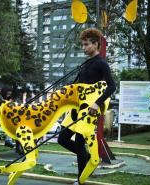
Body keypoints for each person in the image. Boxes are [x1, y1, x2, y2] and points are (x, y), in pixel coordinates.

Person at [58, 28, 116, 185]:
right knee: (62, 138)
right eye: (82, 45)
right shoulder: (87, 63)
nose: (83, 48)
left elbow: (112, 86)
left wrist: (97, 104)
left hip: (89, 110)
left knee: (78, 142)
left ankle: (80, 180)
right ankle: (88, 158)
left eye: (86, 44)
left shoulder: (102, 64)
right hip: (77, 108)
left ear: (95, 44)